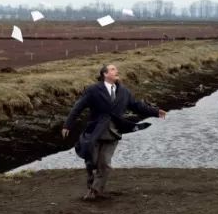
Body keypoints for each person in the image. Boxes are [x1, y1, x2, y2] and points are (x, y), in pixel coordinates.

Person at [62, 64, 166, 201]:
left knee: (104, 163)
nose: (116, 71)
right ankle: (92, 184)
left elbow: (137, 106)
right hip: (95, 131)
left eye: (116, 69)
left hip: (114, 131)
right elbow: (78, 107)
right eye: (112, 69)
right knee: (91, 161)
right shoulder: (93, 90)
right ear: (104, 74)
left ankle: (95, 191)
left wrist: (155, 112)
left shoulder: (124, 92)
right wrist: (67, 125)